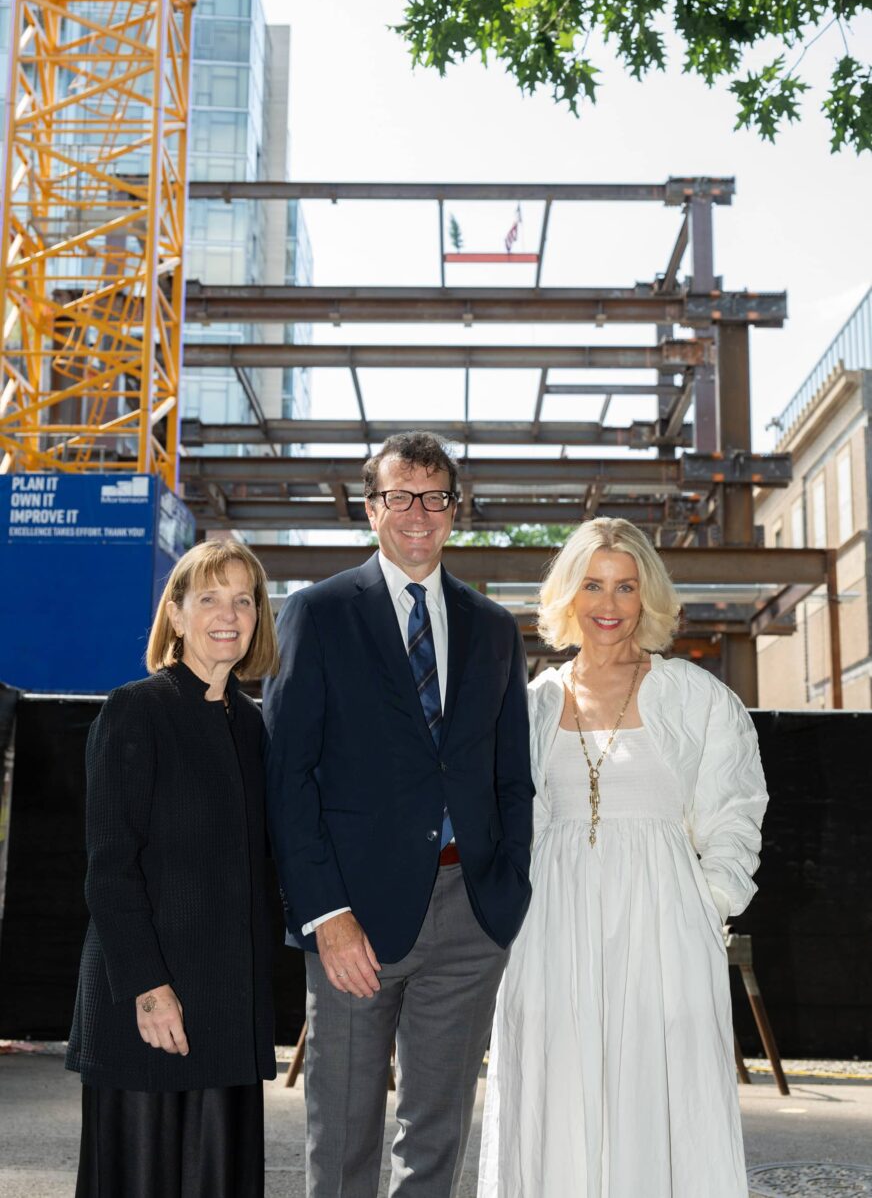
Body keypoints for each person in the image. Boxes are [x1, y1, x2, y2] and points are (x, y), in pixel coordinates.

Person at [263, 430, 534, 1198]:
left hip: (469, 914)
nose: (418, 513)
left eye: (435, 497)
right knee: (344, 1132)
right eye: (400, 496)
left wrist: (502, 896)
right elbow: (289, 778)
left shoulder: (492, 628)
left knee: (436, 1133)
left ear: (456, 510)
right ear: (371, 509)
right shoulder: (316, 614)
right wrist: (325, 913)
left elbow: (510, 774)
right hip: (354, 915)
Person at [478, 517, 768, 1198]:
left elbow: (736, 807)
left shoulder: (694, 697)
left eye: (626, 587)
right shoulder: (533, 703)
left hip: (664, 927)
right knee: (556, 1097)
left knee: (661, 1098)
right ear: (568, 596)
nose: (608, 606)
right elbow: (513, 823)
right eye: (593, 585)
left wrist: (710, 902)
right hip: (552, 928)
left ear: (648, 597)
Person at [66, 539, 280, 1198]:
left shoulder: (254, 727)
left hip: (228, 1005)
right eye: (209, 597)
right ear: (177, 615)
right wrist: (149, 988)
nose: (229, 613)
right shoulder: (137, 709)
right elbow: (109, 865)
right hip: (149, 1002)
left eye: (243, 599)